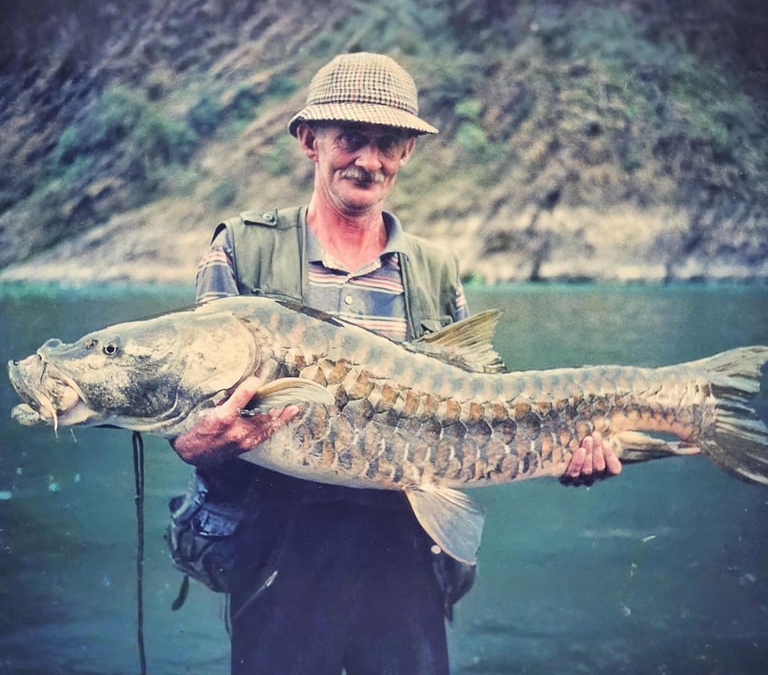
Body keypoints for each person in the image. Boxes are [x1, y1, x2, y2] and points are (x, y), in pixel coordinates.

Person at [167, 52, 622, 675]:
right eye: (352, 138)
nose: (369, 160)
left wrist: (564, 449)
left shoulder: (435, 271)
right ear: (310, 141)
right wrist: (194, 444)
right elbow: (193, 407)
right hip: (277, 554)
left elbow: (477, 412)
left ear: (407, 151)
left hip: (406, 555)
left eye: (388, 143)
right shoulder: (243, 251)